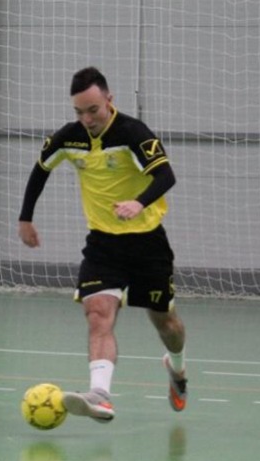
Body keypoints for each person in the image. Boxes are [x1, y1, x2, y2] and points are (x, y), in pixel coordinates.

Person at [18, 66, 188, 422]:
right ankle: (101, 394)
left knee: (167, 325)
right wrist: (25, 218)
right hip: (103, 245)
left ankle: (177, 368)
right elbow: (40, 169)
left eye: (93, 110)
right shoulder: (69, 137)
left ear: (109, 100)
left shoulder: (132, 133)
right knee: (97, 315)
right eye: (79, 112)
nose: (87, 118)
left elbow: (165, 174)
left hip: (147, 243)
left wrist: (138, 202)